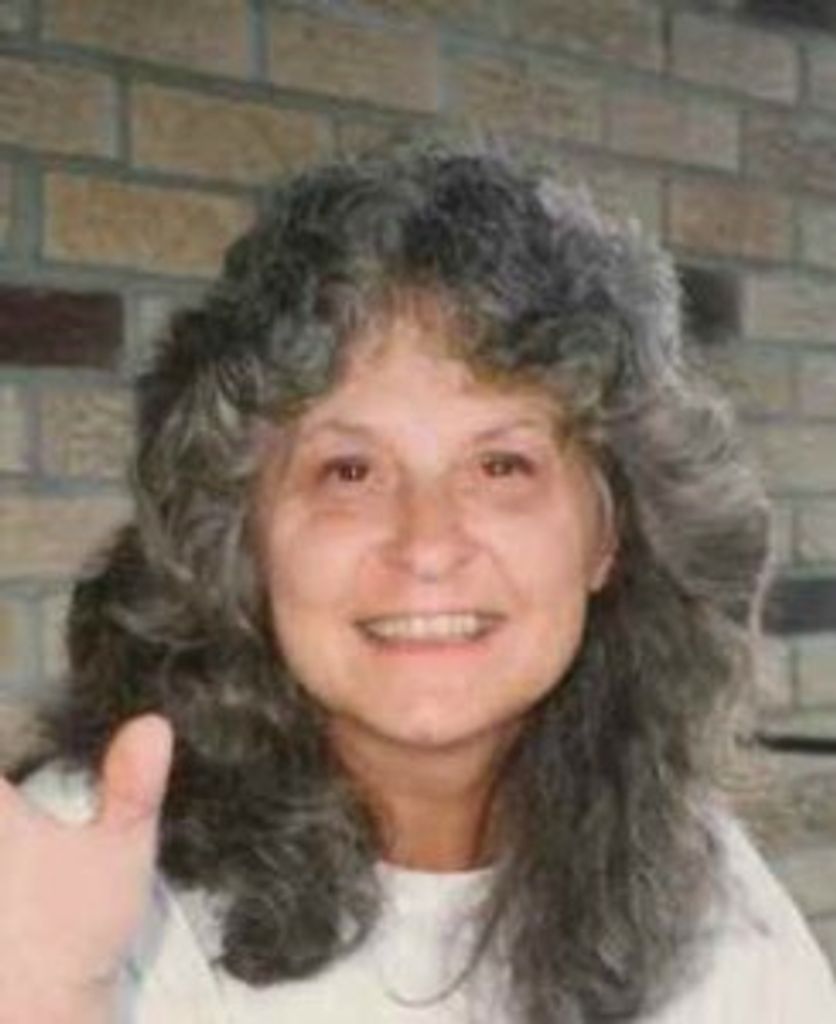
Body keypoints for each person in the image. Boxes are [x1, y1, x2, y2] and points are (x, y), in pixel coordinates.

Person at [1, 148, 834, 1024]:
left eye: (502, 465)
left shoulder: (707, 898)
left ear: (608, 536)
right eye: (350, 471)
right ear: (244, 535)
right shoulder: (83, 884)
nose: (427, 545)